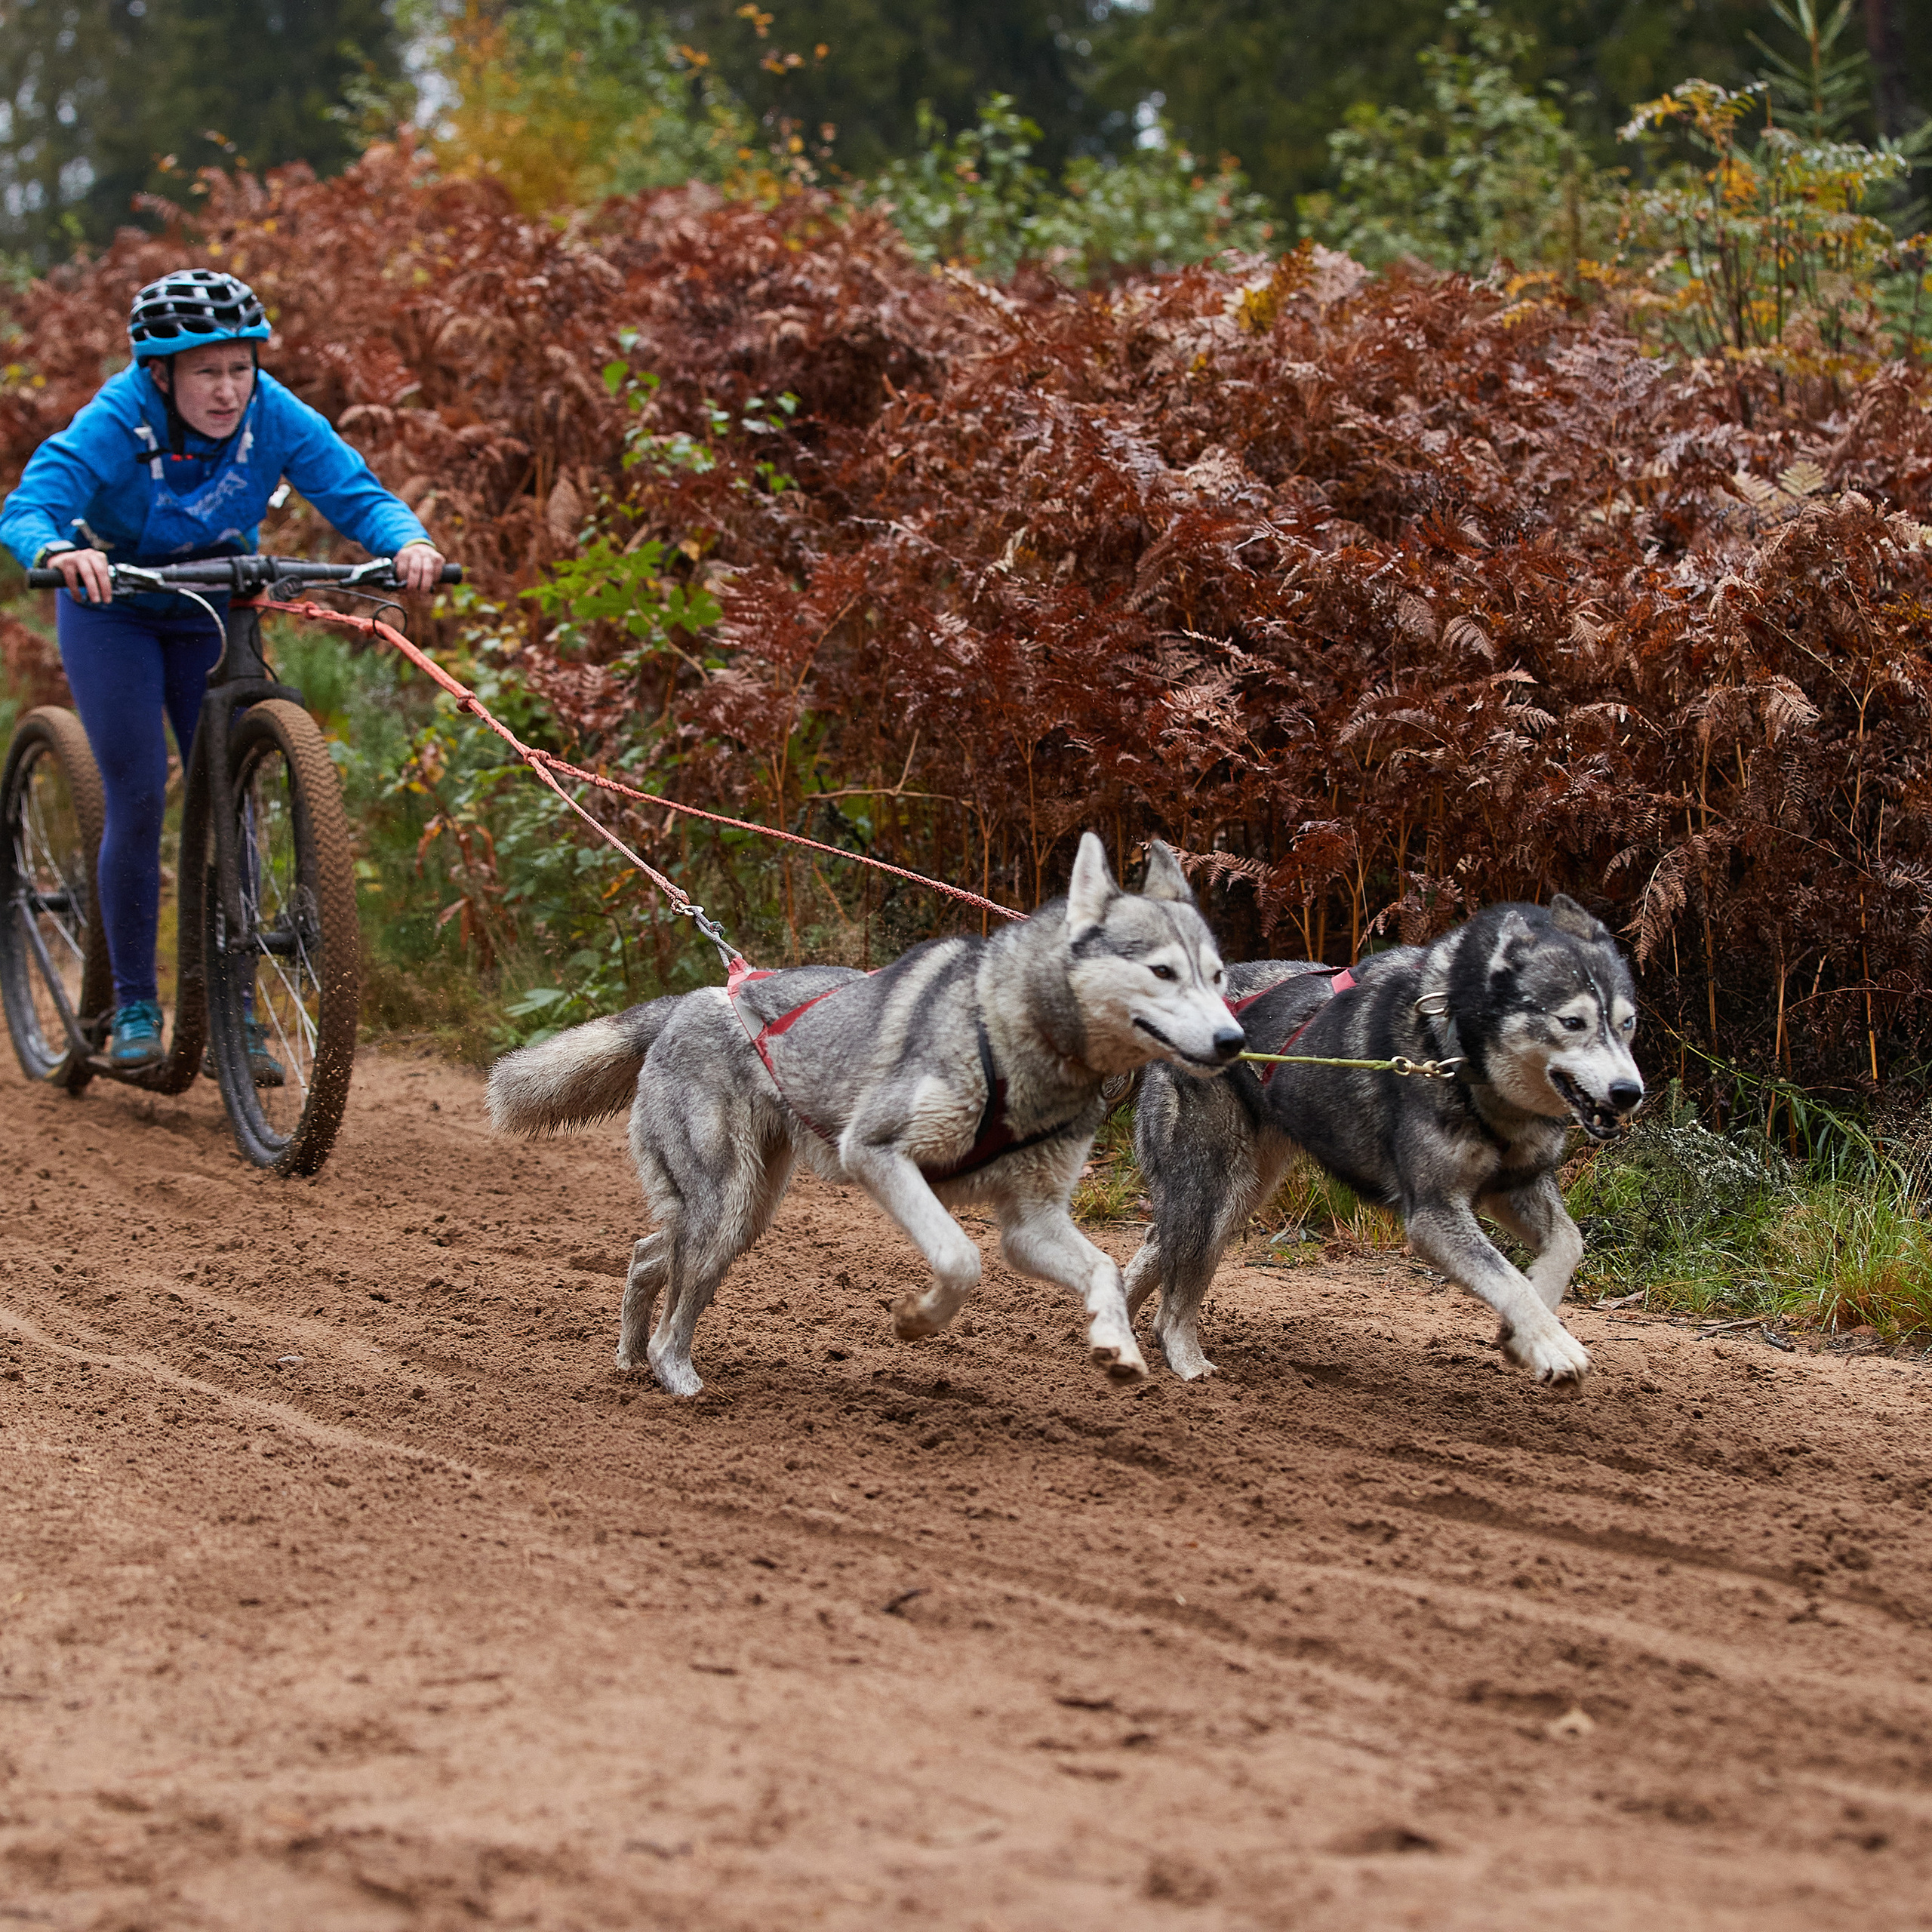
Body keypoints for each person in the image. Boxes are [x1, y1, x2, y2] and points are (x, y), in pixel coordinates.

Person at [0, 269, 444, 1075]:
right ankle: (135, 999)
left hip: (217, 600)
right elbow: (29, 505)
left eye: (240, 367)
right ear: (159, 374)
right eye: (207, 371)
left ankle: (233, 1011)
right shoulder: (117, 417)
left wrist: (405, 541)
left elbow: (355, 492)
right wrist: (57, 551)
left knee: (234, 799)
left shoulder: (274, 412)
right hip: (119, 610)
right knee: (136, 796)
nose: (228, 389)